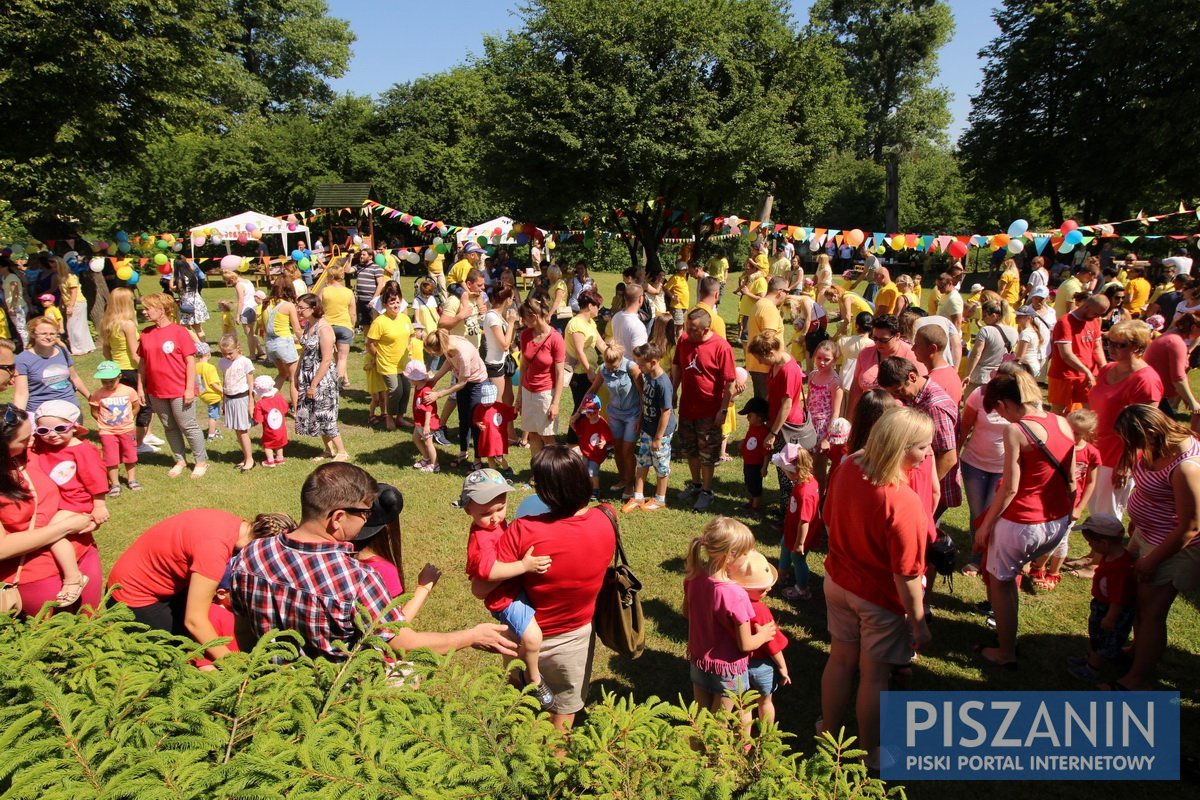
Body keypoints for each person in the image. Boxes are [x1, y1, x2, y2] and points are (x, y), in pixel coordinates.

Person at [232, 462, 517, 660]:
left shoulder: (249, 556)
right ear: (338, 519)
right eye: (365, 515)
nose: (368, 521)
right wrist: (471, 636)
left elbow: (243, 630)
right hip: (339, 709)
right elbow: (402, 644)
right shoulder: (357, 579)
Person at [819, 407, 932, 771]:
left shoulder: (849, 465)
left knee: (839, 660)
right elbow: (907, 574)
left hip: (837, 582)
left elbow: (827, 516)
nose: (928, 454)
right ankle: (871, 754)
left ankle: (828, 731)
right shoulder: (904, 502)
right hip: (877, 600)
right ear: (900, 448)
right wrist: (918, 623)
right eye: (922, 447)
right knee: (874, 676)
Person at [492, 446, 615, 728]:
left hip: (521, 636)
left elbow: (482, 587)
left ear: (546, 492)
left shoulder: (522, 530)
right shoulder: (607, 517)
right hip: (573, 640)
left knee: (515, 711)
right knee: (561, 718)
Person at [975, 370, 1075, 669]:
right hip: (1055, 521)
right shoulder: (1062, 422)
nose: (1001, 418)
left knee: (1003, 583)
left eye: (998, 411)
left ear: (1004, 404)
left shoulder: (1016, 431)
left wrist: (985, 525)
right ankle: (1007, 635)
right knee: (1011, 573)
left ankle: (1006, 651)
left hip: (1022, 523)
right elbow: (1070, 478)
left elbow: (1010, 488)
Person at [108, 509, 294, 662]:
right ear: (261, 546)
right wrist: (233, 666)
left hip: (156, 579)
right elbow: (194, 621)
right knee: (179, 654)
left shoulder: (236, 525)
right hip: (135, 594)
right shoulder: (214, 551)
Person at [1104, 405, 1200, 691]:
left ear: (1152, 432)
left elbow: (1190, 526)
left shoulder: (1186, 466)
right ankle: (1138, 651)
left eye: (1134, 441)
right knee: (1138, 603)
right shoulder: (1156, 445)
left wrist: (1153, 560)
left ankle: (1137, 679)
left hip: (1173, 548)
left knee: (1151, 612)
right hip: (1148, 535)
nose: (1132, 448)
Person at [458, 468, 555, 708]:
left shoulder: (492, 526)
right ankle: (534, 680)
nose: (495, 518)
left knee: (512, 641)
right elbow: (488, 573)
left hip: (513, 591)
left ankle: (512, 678)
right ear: (468, 510)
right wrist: (524, 565)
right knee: (533, 639)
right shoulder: (482, 538)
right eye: (486, 513)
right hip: (506, 598)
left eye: (500, 509)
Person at [0, 403, 100, 615]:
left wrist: (92, 510)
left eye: (33, 433)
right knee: (53, 640)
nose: (34, 441)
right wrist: (65, 527)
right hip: (36, 573)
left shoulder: (33, 451)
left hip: (81, 550)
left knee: (93, 625)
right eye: (25, 440)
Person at [684, 516, 775, 726]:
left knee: (699, 717)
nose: (747, 558)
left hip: (699, 659)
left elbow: (687, 613)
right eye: (745, 553)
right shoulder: (736, 594)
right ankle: (715, 759)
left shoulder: (693, 577)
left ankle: (696, 755)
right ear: (729, 556)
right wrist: (763, 635)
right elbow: (745, 645)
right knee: (719, 723)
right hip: (728, 668)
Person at [30, 399, 108, 607]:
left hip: (76, 503)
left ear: (74, 427)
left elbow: (97, 479)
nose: (52, 434)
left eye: (60, 428)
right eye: (44, 430)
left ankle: (73, 578)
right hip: (58, 503)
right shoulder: (44, 445)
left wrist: (99, 505)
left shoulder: (82, 450)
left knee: (52, 532)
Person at [1087, 320, 1162, 519]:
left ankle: (1108, 550)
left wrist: (1125, 463)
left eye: (1119, 345)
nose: (1111, 348)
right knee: (1094, 506)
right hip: (1094, 448)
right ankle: (1098, 551)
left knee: (1108, 512)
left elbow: (1145, 428)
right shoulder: (1108, 369)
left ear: (1138, 347)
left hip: (1118, 454)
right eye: (1109, 342)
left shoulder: (1145, 380)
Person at [877, 357, 960, 517]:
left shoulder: (935, 407)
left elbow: (949, 457)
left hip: (932, 489)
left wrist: (925, 488)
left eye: (899, 391)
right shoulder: (915, 397)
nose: (897, 396)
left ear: (912, 377)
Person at [673, 307, 737, 513]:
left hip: (710, 411)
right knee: (690, 449)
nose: (688, 333)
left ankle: (707, 492)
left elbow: (730, 382)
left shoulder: (721, 347)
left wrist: (723, 410)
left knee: (707, 453)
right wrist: (673, 391)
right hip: (687, 408)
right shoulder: (683, 341)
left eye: (693, 330)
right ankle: (696, 484)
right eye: (687, 328)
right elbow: (677, 368)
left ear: (706, 329)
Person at [137, 294, 207, 479]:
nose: (144, 312)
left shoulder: (179, 332)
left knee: (187, 424)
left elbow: (190, 361)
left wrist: (189, 388)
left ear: (161, 310)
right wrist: (140, 387)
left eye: (148, 308)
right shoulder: (145, 333)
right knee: (169, 426)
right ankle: (180, 460)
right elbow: (142, 363)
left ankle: (201, 461)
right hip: (156, 390)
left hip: (179, 389)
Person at [1031, 408, 1101, 588]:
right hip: (1050, 501)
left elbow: (1091, 483)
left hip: (1071, 504)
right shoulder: (1058, 445)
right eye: (1069, 430)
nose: (1071, 435)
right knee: (1047, 534)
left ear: (1088, 433)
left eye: (1076, 433)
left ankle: (1052, 571)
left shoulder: (1091, 453)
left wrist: (1079, 508)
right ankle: (1038, 565)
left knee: (1061, 538)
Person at [727, 550, 790, 729]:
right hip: (762, 666)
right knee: (765, 701)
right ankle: (766, 737)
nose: (769, 589)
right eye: (763, 588)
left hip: (737, 664)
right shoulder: (761, 611)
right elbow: (773, 644)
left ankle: (744, 742)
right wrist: (782, 667)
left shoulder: (729, 604)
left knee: (744, 705)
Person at [425, 329, 490, 469]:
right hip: (463, 380)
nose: (431, 354)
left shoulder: (463, 354)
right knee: (463, 419)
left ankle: (478, 459)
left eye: (432, 352)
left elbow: (462, 383)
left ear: (440, 347)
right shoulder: (447, 342)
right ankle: (463, 452)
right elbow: (449, 362)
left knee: (475, 422)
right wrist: (436, 378)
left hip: (476, 383)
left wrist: (439, 394)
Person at [294, 293, 348, 462]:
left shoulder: (324, 329)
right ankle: (328, 449)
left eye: (301, 308)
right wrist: (297, 372)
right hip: (308, 375)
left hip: (322, 379)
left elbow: (326, 360)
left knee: (325, 414)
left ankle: (342, 451)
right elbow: (305, 351)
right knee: (315, 414)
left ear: (313, 308)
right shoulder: (309, 325)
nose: (298, 310)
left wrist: (313, 385)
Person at [588, 340, 641, 500]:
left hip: (632, 414)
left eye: (614, 366)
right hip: (615, 415)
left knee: (627, 450)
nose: (610, 369)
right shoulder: (603, 369)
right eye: (608, 366)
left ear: (621, 359)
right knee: (617, 448)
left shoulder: (632, 368)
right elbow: (593, 390)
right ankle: (623, 479)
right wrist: (579, 411)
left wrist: (641, 417)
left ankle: (631, 484)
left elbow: (643, 394)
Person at [623, 342, 674, 511]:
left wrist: (658, 438)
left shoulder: (663, 384)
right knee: (643, 461)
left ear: (653, 362)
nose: (639, 367)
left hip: (661, 433)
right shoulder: (648, 377)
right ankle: (638, 496)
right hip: (647, 427)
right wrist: (641, 418)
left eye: (641, 364)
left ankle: (660, 498)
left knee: (661, 463)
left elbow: (666, 412)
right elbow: (645, 401)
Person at [846, 313, 923, 420]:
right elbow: (856, 388)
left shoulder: (912, 355)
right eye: (875, 338)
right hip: (867, 416)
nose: (878, 343)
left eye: (883, 340)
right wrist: (849, 418)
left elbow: (921, 390)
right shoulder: (865, 353)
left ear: (897, 336)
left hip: (897, 420)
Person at [517, 295, 566, 457]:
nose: (522, 322)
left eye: (524, 318)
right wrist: (520, 397)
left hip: (546, 393)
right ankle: (537, 472)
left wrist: (555, 403)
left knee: (547, 437)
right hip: (528, 391)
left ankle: (553, 472)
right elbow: (523, 366)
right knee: (532, 434)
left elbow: (560, 374)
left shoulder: (556, 339)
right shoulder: (525, 336)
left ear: (534, 316)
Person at [364, 282, 414, 432]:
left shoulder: (404, 319)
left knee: (406, 390)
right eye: (392, 302)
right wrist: (377, 355)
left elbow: (410, 335)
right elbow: (369, 343)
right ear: (385, 304)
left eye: (398, 302)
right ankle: (389, 417)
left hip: (403, 362)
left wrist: (409, 348)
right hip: (387, 363)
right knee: (395, 390)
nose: (396, 305)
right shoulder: (380, 322)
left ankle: (400, 417)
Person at [14, 315, 90, 413]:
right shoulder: (23, 359)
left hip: (70, 409)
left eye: (52, 334)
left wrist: (90, 397)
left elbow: (74, 378)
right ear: (33, 334)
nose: (49, 337)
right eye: (43, 333)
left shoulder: (63, 351)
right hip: (41, 412)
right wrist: (18, 419)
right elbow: (21, 393)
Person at [1047, 294, 1108, 414]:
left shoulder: (1094, 321)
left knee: (1090, 412)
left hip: (1087, 376)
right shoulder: (1065, 322)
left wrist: (1104, 368)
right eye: (1096, 313)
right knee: (1058, 413)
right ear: (1086, 307)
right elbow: (1066, 355)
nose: (1097, 317)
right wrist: (1087, 371)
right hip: (1065, 376)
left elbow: (1097, 348)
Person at [88, 360, 142, 494]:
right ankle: (115, 483)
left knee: (130, 455)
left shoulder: (129, 391)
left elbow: (136, 406)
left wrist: (129, 418)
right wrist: (104, 422)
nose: (108, 384)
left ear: (119, 376)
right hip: (107, 432)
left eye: (111, 381)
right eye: (104, 382)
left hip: (127, 429)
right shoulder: (98, 394)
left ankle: (132, 479)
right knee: (110, 457)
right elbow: (94, 411)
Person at [776, 444, 818, 602]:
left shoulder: (804, 492)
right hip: (792, 530)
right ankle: (783, 573)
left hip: (801, 535)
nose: (785, 474)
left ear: (795, 472)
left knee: (798, 559)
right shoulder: (808, 481)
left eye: (786, 471)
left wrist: (800, 544)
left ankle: (802, 588)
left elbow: (804, 520)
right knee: (784, 544)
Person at [563, 289, 603, 442]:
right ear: (590, 305)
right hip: (580, 374)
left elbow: (600, 344)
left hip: (589, 372)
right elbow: (579, 351)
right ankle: (573, 441)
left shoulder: (590, 322)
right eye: (597, 305)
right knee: (582, 408)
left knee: (588, 407)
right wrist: (589, 371)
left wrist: (614, 356)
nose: (598, 309)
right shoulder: (576, 324)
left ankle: (584, 438)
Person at [217, 334, 256, 473]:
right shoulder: (222, 362)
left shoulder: (245, 362)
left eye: (230, 353)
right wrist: (223, 401)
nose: (227, 356)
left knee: (242, 429)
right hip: (229, 398)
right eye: (224, 353)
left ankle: (250, 459)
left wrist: (251, 402)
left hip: (241, 398)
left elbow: (251, 384)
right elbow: (224, 381)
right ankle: (245, 457)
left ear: (237, 348)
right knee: (237, 430)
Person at [807, 340, 843, 487]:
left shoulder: (835, 382)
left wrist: (827, 438)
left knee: (819, 466)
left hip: (823, 428)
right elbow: (809, 399)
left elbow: (836, 413)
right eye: (819, 358)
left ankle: (820, 498)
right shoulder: (813, 375)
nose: (822, 362)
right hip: (810, 424)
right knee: (806, 463)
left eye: (826, 359)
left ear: (834, 360)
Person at [962, 299, 1017, 396]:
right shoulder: (1014, 332)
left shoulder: (986, 330)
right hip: (999, 377)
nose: (982, 319)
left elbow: (976, 355)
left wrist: (967, 374)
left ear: (994, 316)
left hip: (980, 377)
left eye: (984, 316)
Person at [745, 277, 787, 400]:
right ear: (780, 292)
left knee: (761, 408)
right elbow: (768, 340)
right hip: (766, 367)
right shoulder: (769, 309)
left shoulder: (759, 304)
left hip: (757, 364)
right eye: (787, 291)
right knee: (769, 407)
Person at [262, 279, 302, 409]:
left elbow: (263, 326)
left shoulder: (265, 304)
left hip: (269, 343)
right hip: (283, 343)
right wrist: (305, 341)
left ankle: (266, 402)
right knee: (293, 377)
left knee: (282, 373)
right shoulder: (288, 305)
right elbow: (296, 329)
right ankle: (297, 409)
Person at [317, 265, 356, 388]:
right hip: (344, 326)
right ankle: (339, 383)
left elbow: (317, 309)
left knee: (327, 357)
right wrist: (352, 326)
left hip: (327, 327)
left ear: (331, 276)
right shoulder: (348, 292)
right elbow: (353, 313)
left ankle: (337, 381)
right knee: (342, 358)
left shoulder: (324, 291)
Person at [569, 394, 610, 499]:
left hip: (596, 453)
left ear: (599, 409)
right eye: (588, 412)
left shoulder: (602, 423)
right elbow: (579, 431)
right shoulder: (584, 421)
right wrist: (573, 424)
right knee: (585, 469)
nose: (590, 415)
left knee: (593, 471)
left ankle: (595, 490)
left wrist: (604, 442)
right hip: (586, 451)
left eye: (593, 411)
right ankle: (587, 487)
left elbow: (607, 435)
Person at [482, 286, 519, 401]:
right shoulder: (492, 317)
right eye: (512, 298)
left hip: (504, 363)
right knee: (498, 402)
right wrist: (511, 323)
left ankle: (509, 420)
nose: (512, 301)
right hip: (495, 365)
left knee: (508, 399)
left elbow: (509, 341)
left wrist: (514, 326)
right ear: (507, 299)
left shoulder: (500, 316)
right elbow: (504, 345)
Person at [473, 382, 516, 478]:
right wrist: (478, 424)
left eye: (489, 401)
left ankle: (506, 468)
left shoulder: (501, 407)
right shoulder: (480, 408)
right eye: (486, 401)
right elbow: (475, 418)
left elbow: (512, 412)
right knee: (489, 456)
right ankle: (493, 473)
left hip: (497, 439)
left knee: (499, 457)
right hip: (486, 438)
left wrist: (517, 408)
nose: (487, 403)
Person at [404, 361, 440, 472]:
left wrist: (426, 426)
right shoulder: (418, 386)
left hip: (426, 423)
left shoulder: (426, 391)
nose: (408, 380)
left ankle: (435, 465)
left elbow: (429, 410)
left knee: (428, 443)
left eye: (409, 378)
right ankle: (426, 458)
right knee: (415, 438)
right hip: (419, 421)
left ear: (415, 379)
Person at [737, 396, 770, 517]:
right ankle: (751, 501)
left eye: (750, 416)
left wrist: (764, 467)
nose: (747, 418)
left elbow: (766, 452)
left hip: (757, 464)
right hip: (748, 462)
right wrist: (743, 442)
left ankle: (755, 507)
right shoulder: (752, 427)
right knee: (749, 481)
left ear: (759, 418)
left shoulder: (764, 432)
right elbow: (750, 437)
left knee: (755, 484)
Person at [222, 268, 262, 361]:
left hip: (246, 310)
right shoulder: (247, 281)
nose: (229, 284)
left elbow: (241, 301)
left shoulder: (239, 285)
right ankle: (260, 350)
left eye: (228, 282)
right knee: (251, 333)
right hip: (253, 308)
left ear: (232, 279)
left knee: (249, 335)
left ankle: (252, 355)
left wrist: (237, 315)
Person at [57, 261, 94, 356]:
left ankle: (79, 348)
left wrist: (71, 306)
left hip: (77, 303)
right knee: (77, 325)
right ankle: (87, 346)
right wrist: (61, 303)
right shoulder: (61, 278)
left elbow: (74, 292)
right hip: (70, 303)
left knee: (73, 326)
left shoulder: (70, 277)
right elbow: (63, 293)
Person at [173, 257, 209, 340]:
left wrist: (172, 277)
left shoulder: (180, 279)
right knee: (198, 328)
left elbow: (176, 289)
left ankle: (198, 344)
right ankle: (204, 346)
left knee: (185, 326)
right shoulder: (192, 275)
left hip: (187, 303)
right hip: (197, 301)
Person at [610, 283, 648, 358]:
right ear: (641, 299)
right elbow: (638, 356)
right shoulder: (637, 326)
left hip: (618, 362)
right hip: (631, 367)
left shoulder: (616, 316)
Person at [194, 342, 222, 440]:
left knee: (212, 413)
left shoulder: (195, 366)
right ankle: (211, 435)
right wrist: (223, 391)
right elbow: (213, 383)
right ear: (208, 354)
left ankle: (213, 430)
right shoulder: (210, 368)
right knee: (213, 416)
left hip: (202, 394)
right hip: (213, 396)